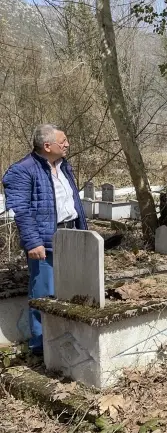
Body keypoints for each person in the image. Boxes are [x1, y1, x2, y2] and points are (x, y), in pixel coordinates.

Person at [2, 125, 87, 354]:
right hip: (46, 241)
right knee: (44, 294)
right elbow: (21, 209)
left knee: (73, 290)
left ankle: (67, 342)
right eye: (63, 141)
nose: (67, 144)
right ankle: (41, 347)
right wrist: (32, 242)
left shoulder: (64, 166)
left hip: (73, 236)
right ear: (47, 146)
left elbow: (71, 202)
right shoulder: (22, 170)